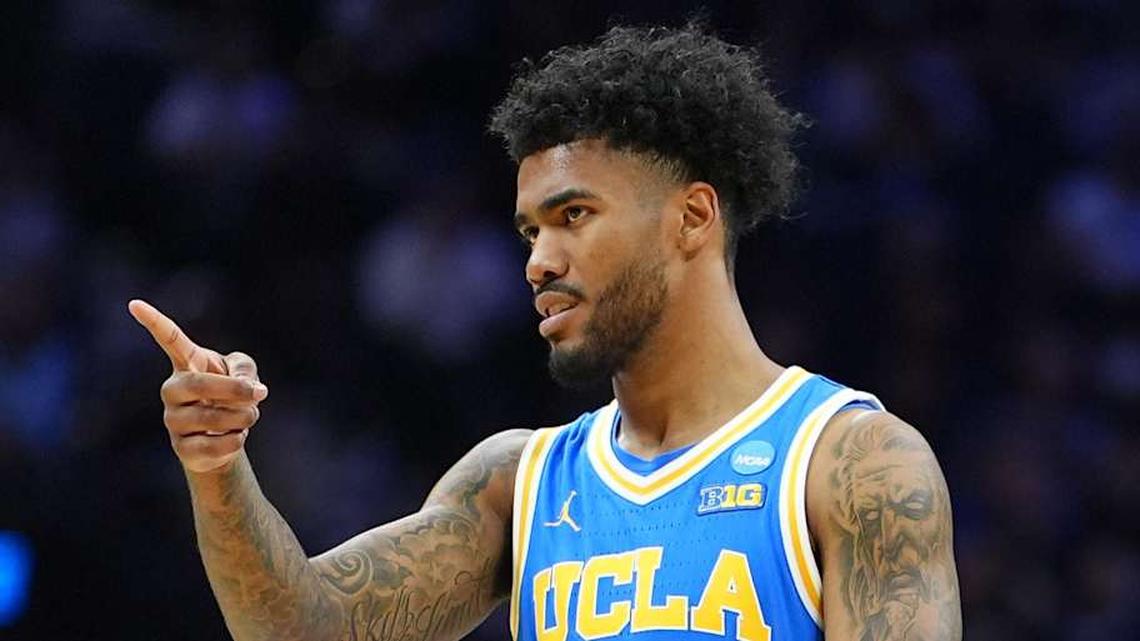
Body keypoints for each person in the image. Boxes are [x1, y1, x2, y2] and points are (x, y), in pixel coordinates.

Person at [130, 23, 961, 641]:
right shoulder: (515, 483)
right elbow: (300, 630)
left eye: (574, 216)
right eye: (531, 231)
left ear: (693, 217)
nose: (538, 261)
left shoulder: (854, 462)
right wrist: (218, 467)